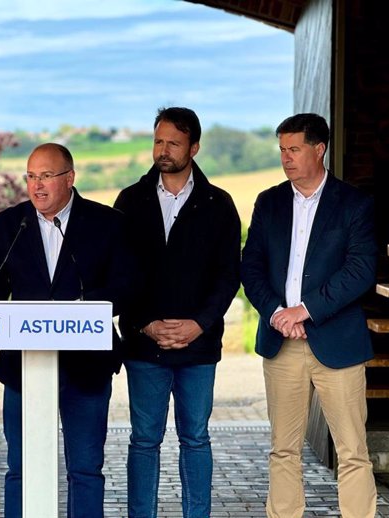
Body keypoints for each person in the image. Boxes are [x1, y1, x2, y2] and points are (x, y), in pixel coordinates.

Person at [0, 143, 132, 518]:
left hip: (87, 366)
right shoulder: (9, 224)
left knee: (86, 469)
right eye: (31, 176)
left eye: (46, 176)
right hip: (23, 368)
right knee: (21, 467)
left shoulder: (106, 223)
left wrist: (81, 308)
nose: (37, 186)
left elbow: (126, 286)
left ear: (70, 178)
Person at [241, 113, 377, 517]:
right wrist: (277, 312)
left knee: (353, 450)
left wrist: (306, 310)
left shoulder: (355, 203)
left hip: (338, 342)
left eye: (294, 149)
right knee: (283, 448)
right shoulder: (269, 202)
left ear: (319, 149)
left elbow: (361, 271)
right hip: (282, 343)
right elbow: (251, 266)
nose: (286, 158)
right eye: (282, 150)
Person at [114, 107, 241, 518]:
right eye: (158, 140)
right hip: (143, 344)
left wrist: (198, 324)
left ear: (194, 147)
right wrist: (144, 323)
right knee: (144, 440)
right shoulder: (129, 201)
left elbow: (228, 275)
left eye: (173, 142)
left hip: (198, 348)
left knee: (196, 438)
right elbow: (118, 270)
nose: (163, 150)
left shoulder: (219, 205)